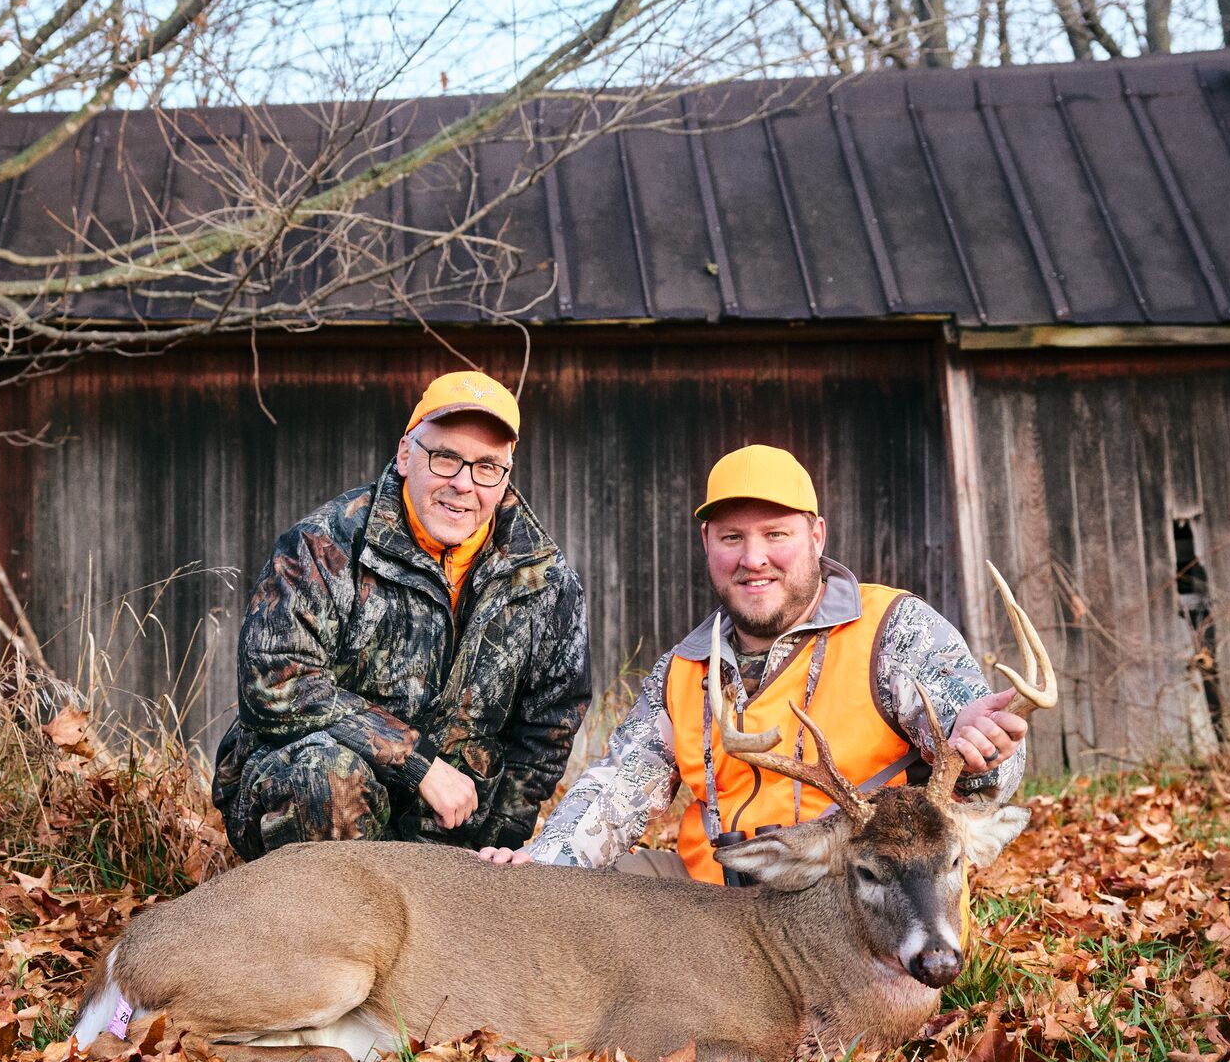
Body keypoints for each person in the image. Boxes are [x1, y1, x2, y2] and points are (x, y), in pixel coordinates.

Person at [480, 444, 1026, 883]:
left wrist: (982, 750)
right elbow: (618, 789)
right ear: (707, 542)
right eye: (733, 537)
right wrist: (542, 868)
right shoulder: (683, 671)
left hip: (853, 897)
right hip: (719, 905)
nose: (753, 558)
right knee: (587, 902)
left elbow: (982, 771)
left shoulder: (893, 630)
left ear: (816, 536)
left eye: (776, 534)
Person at [213, 370, 590, 859]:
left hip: (451, 833)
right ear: (407, 455)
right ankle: (323, 930)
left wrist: (501, 845)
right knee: (326, 777)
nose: (463, 484)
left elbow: (547, 731)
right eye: (446, 458)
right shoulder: (324, 545)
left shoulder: (547, 581)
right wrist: (418, 764)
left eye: (486, 467)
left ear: (505, 477)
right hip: (321, 807)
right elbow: (275, 683)